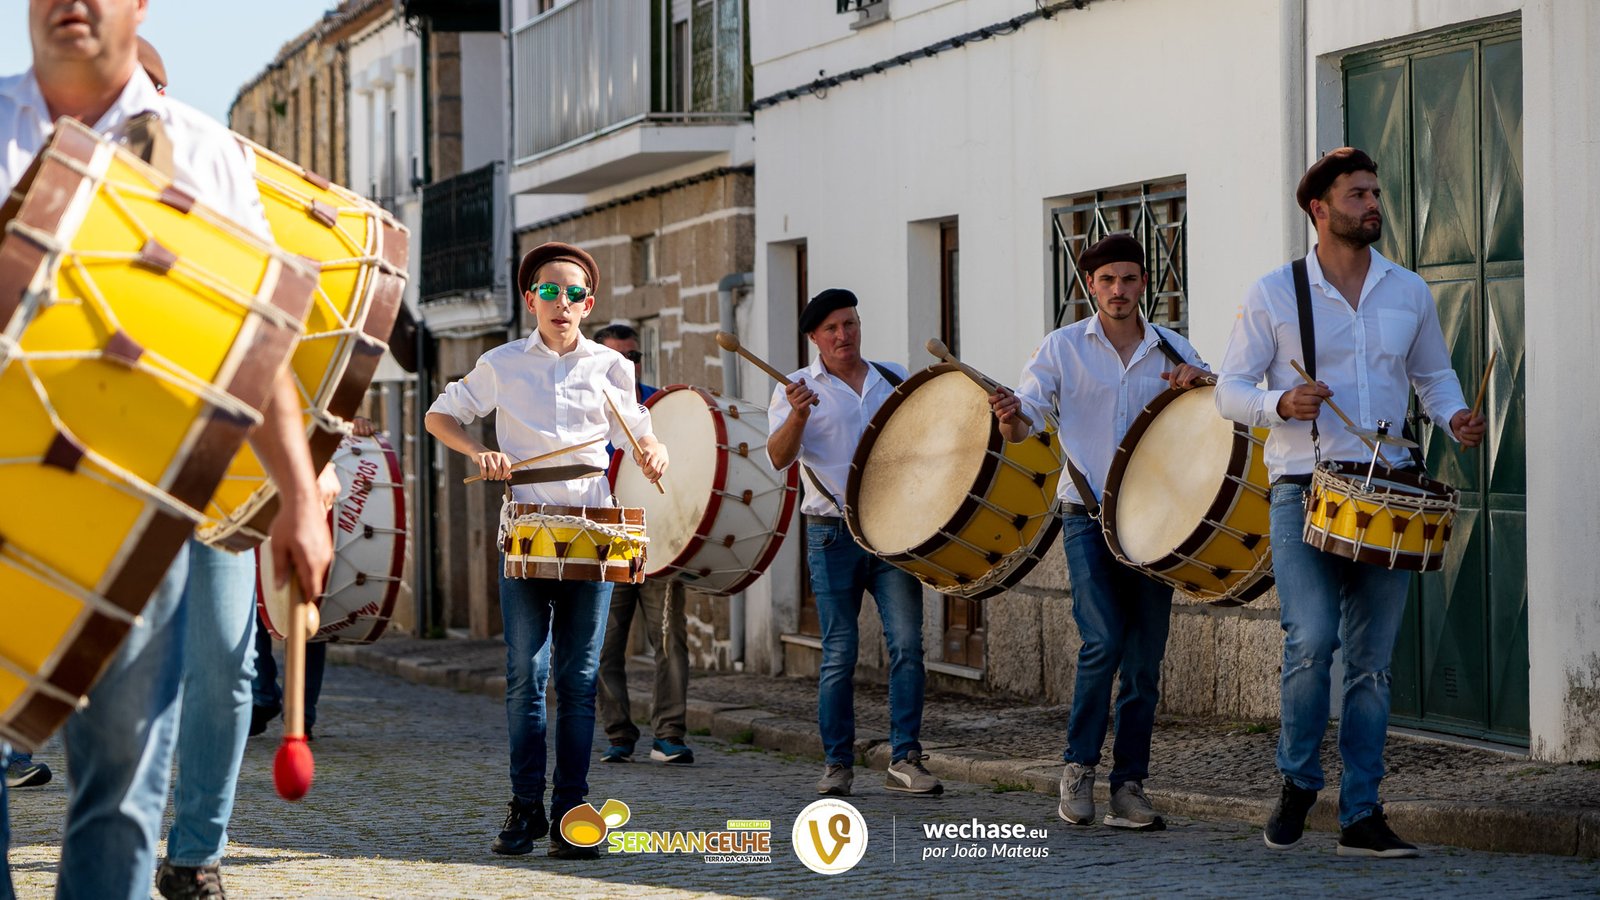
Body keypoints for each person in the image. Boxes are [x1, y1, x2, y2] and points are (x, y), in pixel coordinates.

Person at [0, 4, 331, 899]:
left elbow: (257, 345)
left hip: (144, 504)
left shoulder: (205, 152)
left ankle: (195, 851)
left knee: (121, 782)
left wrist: (299, 495)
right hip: (4, 494)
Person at [1215, 147, 1485, 858]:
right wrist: (1280, 403)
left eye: (1375, 193)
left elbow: (1434, 377)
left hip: (1391, 489)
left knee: (1371, 662)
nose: (1372, 204)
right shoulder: (1274, 292)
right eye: (1357, 194)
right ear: (1320, 208)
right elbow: (1228, 390)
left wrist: (1455, 417)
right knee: (1311, 641)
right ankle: (1298, 779)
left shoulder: (1408, 290)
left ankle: (1361, 813)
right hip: (1305, 488)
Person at [425, 242, 667, 861]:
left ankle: (571, 811)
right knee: (525, 677)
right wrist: (478, 451)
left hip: (593, 532)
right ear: (531, 299)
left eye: (575, 293)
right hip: (527, 529)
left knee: (580, 681)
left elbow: (640, 433)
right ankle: (524, 805)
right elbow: (439, 416)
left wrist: (653, 451)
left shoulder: (610, 367)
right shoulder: (502, 363)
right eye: (551, 292)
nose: (563, 303)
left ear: (589, 304)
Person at [990, 233, 1208, 830]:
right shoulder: (1061, 347)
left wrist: (1201, 384)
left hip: (1156, 520)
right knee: (1103, 641)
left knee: (1143, 661)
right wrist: (1008, 419)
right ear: (1090, 285)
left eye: (1129, 279)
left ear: (1144, 284)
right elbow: (1024, 421)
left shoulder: (1173, 349)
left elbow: (1214, 418)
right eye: (1107, 280)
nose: (1118, 290)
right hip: (1084, 515)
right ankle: (1079, 766)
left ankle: (1129, 785)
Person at [766, 288, 940, 798]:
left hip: (893, 533)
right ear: (814, 338)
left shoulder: (893, 378)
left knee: (907, 646)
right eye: (832, 329)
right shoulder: (793, 388)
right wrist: (798, 416)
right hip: (831, 534)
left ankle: (905, 758)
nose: (843, 335)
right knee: (840, 653)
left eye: (850, 324)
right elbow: (778, 458)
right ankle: (838, 764)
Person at [590, 324, 693, 766]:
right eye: (617, 356)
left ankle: (669, 735)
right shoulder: (585, 411)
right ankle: (618, 733)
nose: (627, 364)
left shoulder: (664, 407)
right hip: (604, 542)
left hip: (657, 539)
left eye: (633, 356)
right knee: (603, 645)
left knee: (670, 640)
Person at [249, 418, 374, 742]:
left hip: (318, 491)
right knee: (254, 599)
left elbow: (332, 404)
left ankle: (301, 715)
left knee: (311, 602)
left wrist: (349, 422)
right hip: (258, 478)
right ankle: (262, 696)